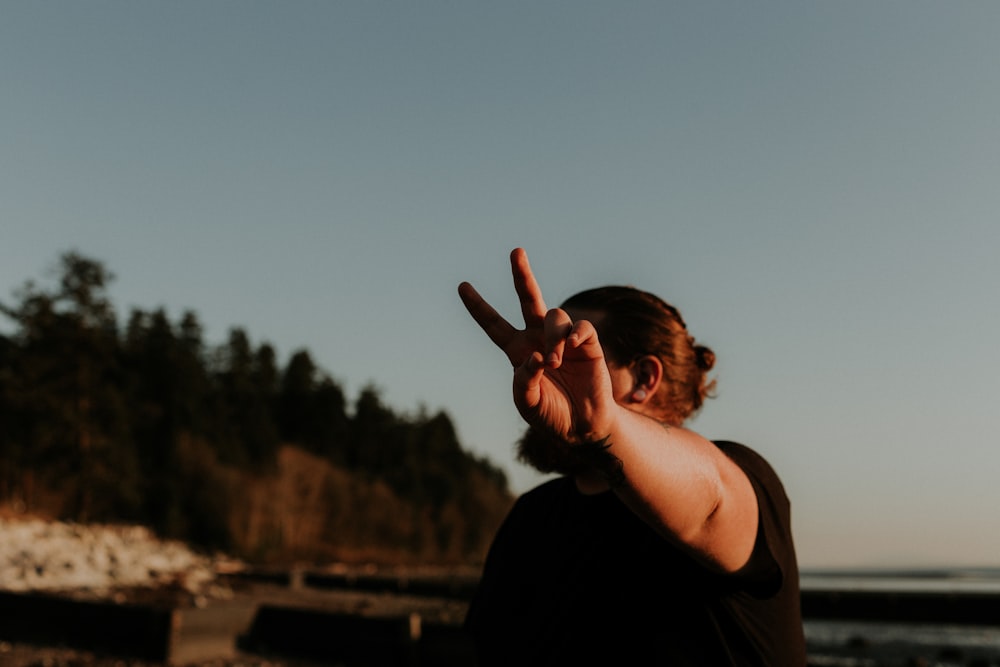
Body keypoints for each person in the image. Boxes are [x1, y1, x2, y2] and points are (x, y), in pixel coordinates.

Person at [458, 248, 806, 666]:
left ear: (643, 379)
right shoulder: (532, 516)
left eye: (569, 354)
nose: (547, 369)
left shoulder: (742, 479)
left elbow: (710, 502)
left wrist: (602, 425)